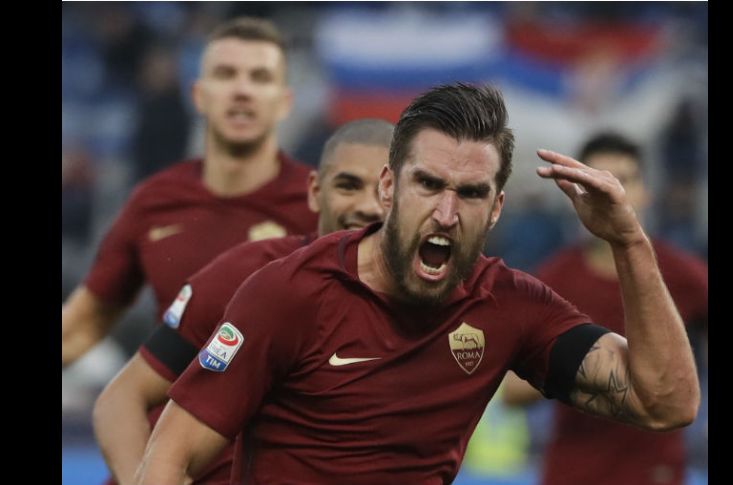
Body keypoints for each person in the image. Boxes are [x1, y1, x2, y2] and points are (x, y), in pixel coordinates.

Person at [137, 83, 700, 485]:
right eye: (428, 184)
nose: (447, 214)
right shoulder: (289, 293)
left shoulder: (511, 306)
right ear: (390, 187)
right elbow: (169, 459)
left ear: (498, 207)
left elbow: (666, 404)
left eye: (472, 193)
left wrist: (628, 242)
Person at [91, 118, 393, 485]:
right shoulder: (248, 273)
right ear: (315, 190)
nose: (369, 207)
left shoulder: (432, 310)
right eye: (348, 185)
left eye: (384, 191)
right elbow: (121, 399)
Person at [62, 17, 318, 366]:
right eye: (226, 74)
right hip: (162, 412)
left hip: (274, 416)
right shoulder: (155, 199)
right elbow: (81, 327)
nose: (241, 90)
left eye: (259, 77)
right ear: (199, 95)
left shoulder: (320, 204)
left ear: (285, 101)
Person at [502, 132, 708, 485]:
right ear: (573, 195)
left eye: (622, 181)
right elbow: (512, 392)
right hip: (573, 472)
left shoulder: (682, 275)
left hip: (656, 473)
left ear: (645, 192)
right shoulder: (551, 280)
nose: (609, 194)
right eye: (593, 181)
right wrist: (591, 362)